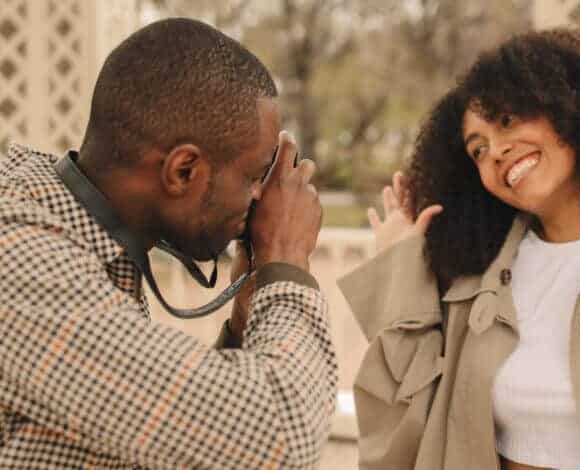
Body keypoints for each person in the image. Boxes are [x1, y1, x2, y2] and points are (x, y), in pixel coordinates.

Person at [338, 28, 580, 470]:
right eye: (477, 150)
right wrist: (400, 269)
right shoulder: (473, 285)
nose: (495, 152)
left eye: (507, 121)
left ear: (568, 108)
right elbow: (399, 426)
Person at [0, 18, 337, 469]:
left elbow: (181, 446)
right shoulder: (22, 264)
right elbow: (280, 442)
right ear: (183, 171)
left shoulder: (79, 237)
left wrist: (245, 319)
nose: (261, 200)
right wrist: (286, 260)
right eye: (254, 177)